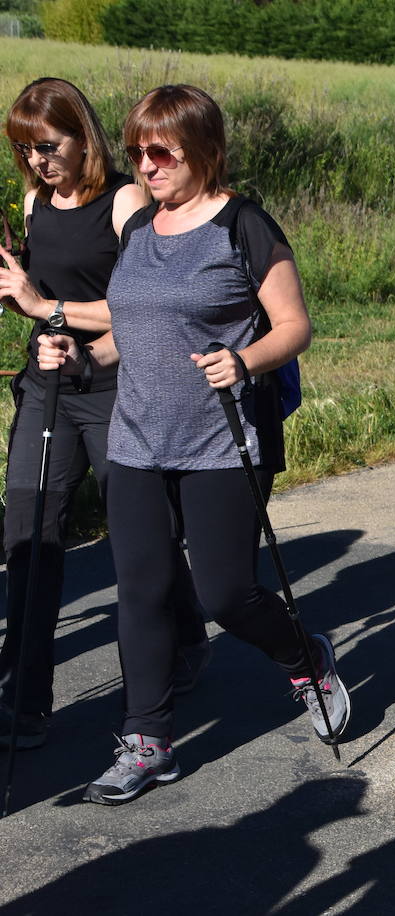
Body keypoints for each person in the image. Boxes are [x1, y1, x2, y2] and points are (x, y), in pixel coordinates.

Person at [38, 84, 349, 805]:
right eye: (137, 151)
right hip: (139, 439)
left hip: (222, 440)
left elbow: (293, 325)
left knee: (226, 594)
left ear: (202, 150)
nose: (145, 166)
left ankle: (305, 656)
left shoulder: (244, 224)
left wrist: (244, 361)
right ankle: (147, 740)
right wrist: (82, 360)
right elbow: (132, 330)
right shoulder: (140, 229)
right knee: (140, 592)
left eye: (161, 152)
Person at [0, 78, 210, 753]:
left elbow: (144, 303)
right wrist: (18, 295)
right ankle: (24, 699)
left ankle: (181, 632)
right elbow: (37, 297)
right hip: (49, 385)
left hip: (121, 384)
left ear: (81, 135)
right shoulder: (35, 202)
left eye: (47, 145)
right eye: (25, 149)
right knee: (30, 532)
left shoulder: (124, 200)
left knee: (136, 537)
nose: (36, 161)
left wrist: (46, 309)